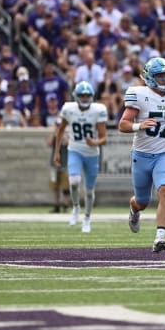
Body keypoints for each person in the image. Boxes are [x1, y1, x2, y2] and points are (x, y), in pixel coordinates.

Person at [118, 56, 165, 253]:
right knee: (142, 201)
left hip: (164, 155)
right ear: (150, 78)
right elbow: (123, 124)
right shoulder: (139, 94)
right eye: (160, 76)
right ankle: (134, 209)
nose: (164, 80)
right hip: (142, 155)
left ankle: (160, 236)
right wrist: (139, 125)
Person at [53, 81, 108, 233]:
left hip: (91, 154)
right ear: (76, 96)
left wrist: (94, 142)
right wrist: (57, 152)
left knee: (89, 191)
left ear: (92, 96)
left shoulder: (98, 110)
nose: (84, 98)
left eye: (87, 95)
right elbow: (60, 130)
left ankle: (87, 218)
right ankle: (76, 207)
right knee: (74, 181)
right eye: (82, 95)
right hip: (74, 150)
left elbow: (104, 138)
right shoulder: (68, 109)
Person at [46, 93, 70, 213]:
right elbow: (49, 143)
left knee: (66, 185)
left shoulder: (66, 133)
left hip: (64, 162)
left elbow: (68, 143)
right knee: (55, 185)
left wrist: (63, 134)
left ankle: (65, 205)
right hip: (54, 162)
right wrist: (54, 131)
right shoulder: (55, 132)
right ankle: (56, 205)